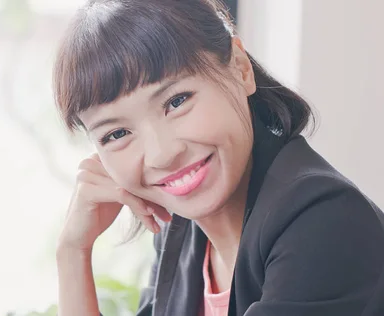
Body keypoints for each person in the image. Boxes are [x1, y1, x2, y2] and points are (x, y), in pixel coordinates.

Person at [52, 0, 384, 315]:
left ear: (240, 68)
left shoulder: (321, 220)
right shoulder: (181, 234)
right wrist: (72, 253)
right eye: (117, 134)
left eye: (177, 101)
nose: (162, 154)